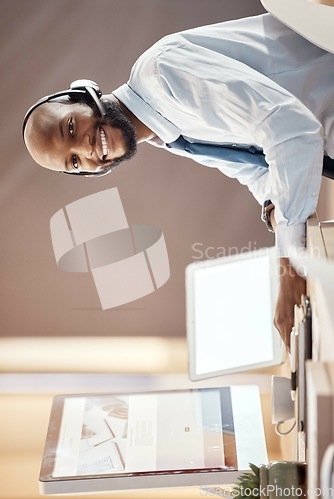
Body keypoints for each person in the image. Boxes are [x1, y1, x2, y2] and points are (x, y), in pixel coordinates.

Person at [23, 13, 334, 349]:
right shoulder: (166, 132)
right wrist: (275, 211)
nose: (84, 149)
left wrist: (290, 269)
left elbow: (289, 129)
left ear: (84, 95)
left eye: (70, 128)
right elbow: (255, 167)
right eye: (74, 161)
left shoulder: (164, 76)